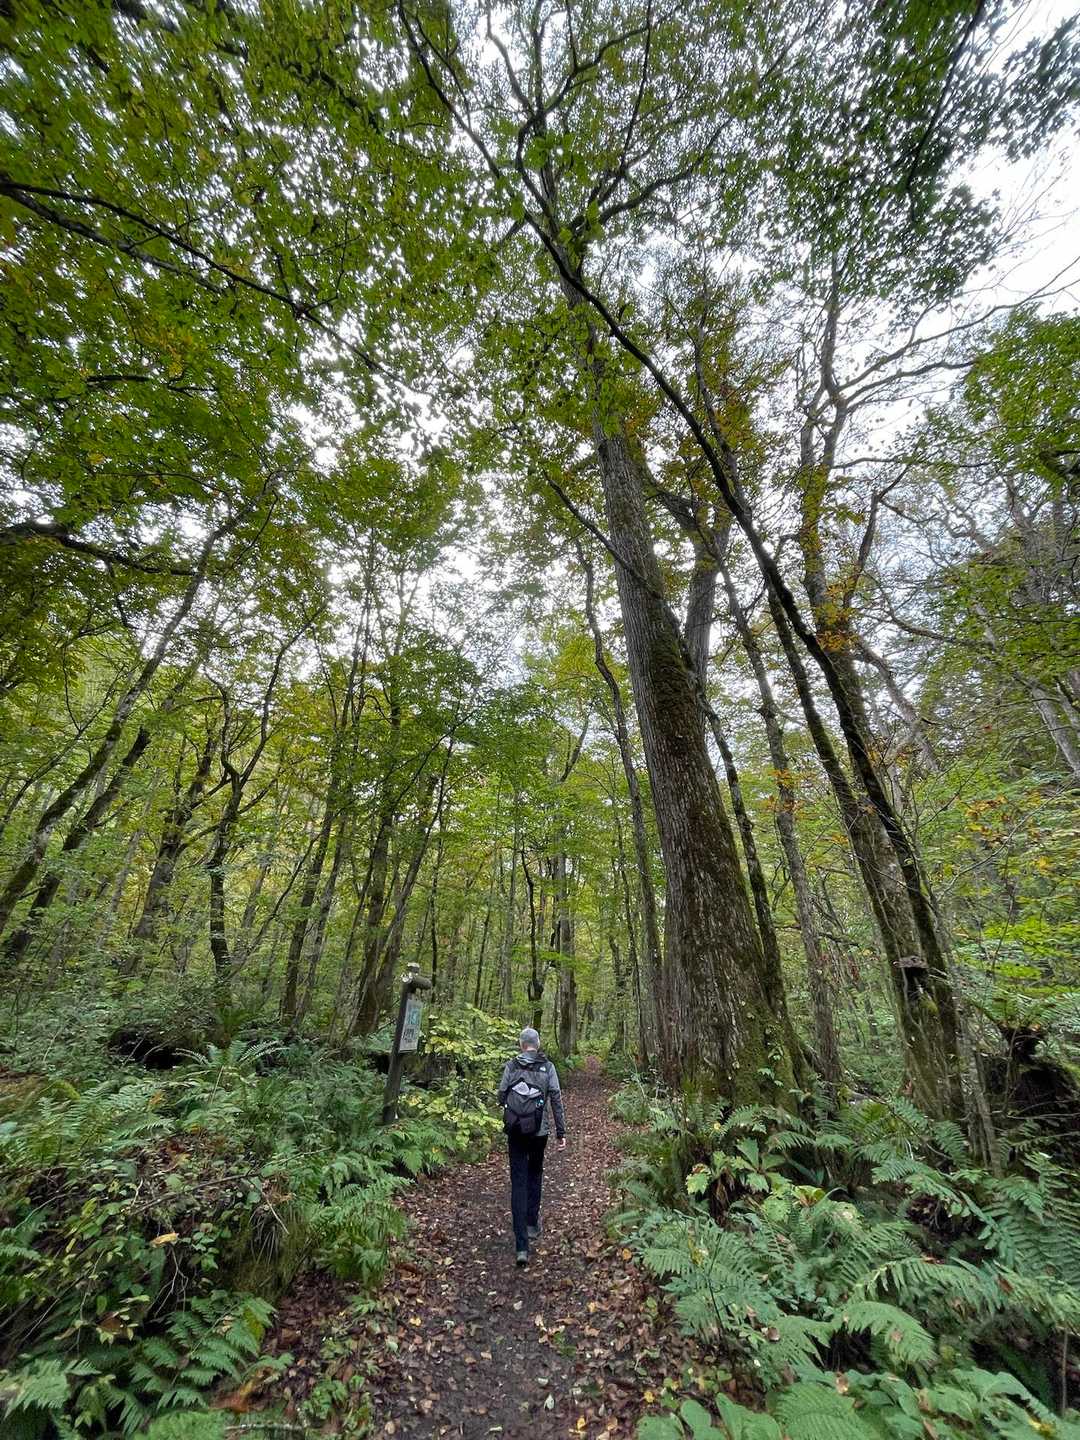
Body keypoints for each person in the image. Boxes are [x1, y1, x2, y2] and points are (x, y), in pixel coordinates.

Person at [496, 1027, 566, 1267]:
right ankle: (532, 1223)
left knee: (518, 1181)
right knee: (535, 1173)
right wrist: (561, 1132)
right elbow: (556, 1098)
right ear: (538, 1043)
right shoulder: (548, 1067)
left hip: (516, 1130)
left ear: (520, 1044)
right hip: (539, 1132)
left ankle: (521, 1246)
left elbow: (501, 1096)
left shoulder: (511, 1066)